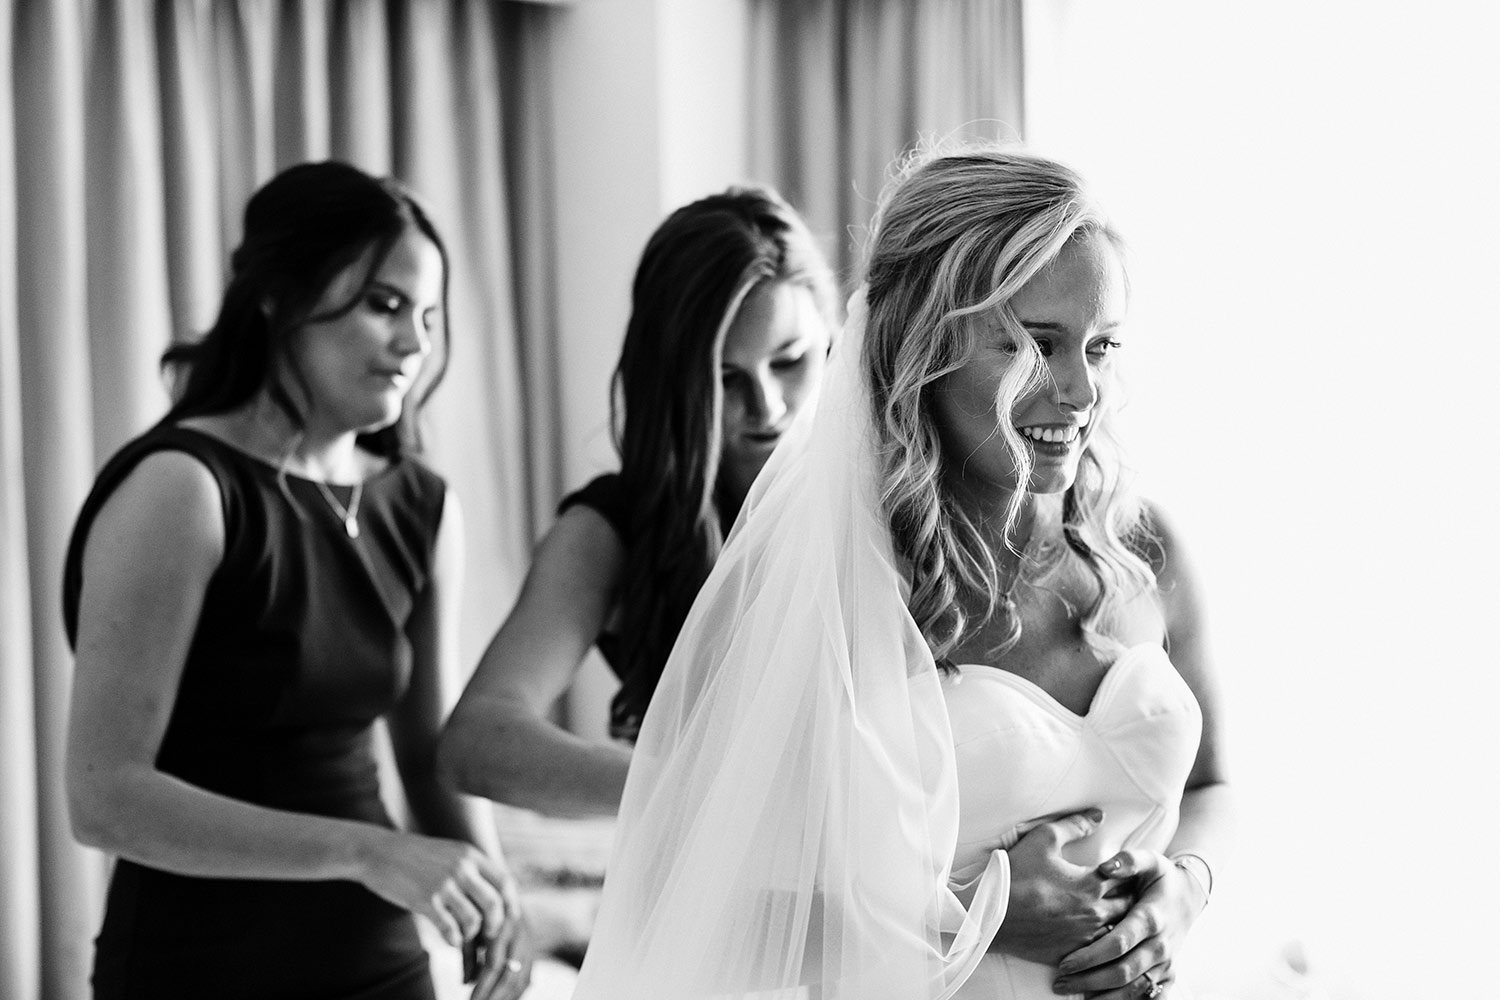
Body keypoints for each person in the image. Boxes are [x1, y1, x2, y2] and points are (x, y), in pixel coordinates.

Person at [569, 144, 1232, 1000]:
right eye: (1036, 346)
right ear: (927, 348)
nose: (1081, 392)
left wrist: (1187, 890)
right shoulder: (828, 581)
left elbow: (1215, 785)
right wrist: (975, 920)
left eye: (1099, 347)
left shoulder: (1144, 544)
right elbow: (687, 902)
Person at [63, 161, 530, 1000]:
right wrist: (366, 850)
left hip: (380, 964)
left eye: (428, 315)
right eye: (384, 305)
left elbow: (426, 758)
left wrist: (495, 896)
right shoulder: (184, 489)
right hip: (195, 969)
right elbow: (104, 797)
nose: (416, 343)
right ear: (279, 298)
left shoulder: (421, 507)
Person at [437, 186, 840, 815]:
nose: (767, 407)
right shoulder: (609, 530)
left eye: (789, 362)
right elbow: (475, 743)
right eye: (724, 378)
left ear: (834, 343)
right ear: (670, 384)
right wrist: (696, 797)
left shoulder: (895, 493)